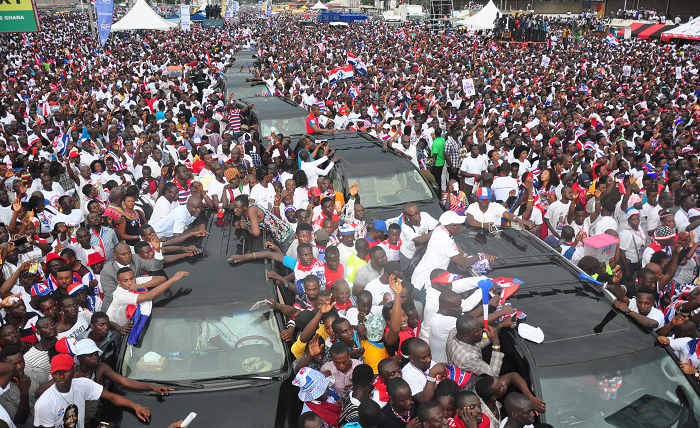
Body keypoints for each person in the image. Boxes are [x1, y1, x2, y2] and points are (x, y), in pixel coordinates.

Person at [33, 353, 151, 428]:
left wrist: (136, 406)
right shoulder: (45, 404)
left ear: (74, 369)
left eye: (65, 371)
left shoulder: (83, 384)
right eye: (56, 373)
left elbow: (112, 397)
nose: (61, 377)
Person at [106, 268, 188, 328]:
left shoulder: (136, 281)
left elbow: (162, 278)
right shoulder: (119, 295)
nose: (130, 282)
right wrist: (173, 279)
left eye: (132, 278)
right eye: (125, 280)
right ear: (119, 283)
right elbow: (149, 296)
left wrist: (143, 286)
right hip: (116, 327)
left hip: (130, 323)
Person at [99, 239, 164, 312]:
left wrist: (157, 250)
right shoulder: (107, 271)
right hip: (115, 310)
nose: (128, 256)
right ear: (115, 256)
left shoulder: (136, 259)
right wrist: (133, 289)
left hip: (136, 305)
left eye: (129, 253)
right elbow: (112, 295)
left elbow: (155, 267)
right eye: (123, 254)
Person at [446, 314, 512, 377]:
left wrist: (500, 325)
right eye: (477, 331)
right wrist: (496, 342)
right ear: (466, 336)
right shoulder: (468, 358)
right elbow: (493, 375)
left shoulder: (454, 332)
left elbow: (478, 344)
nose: (482, 330)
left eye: (480, 327)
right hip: (474, 383)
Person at [0, 345, 43, 428]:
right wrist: (24, 392)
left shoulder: (38, 374)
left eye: (21, 361)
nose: (19, 367)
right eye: (14, 364)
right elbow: (20, 420)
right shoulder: (2, 392)